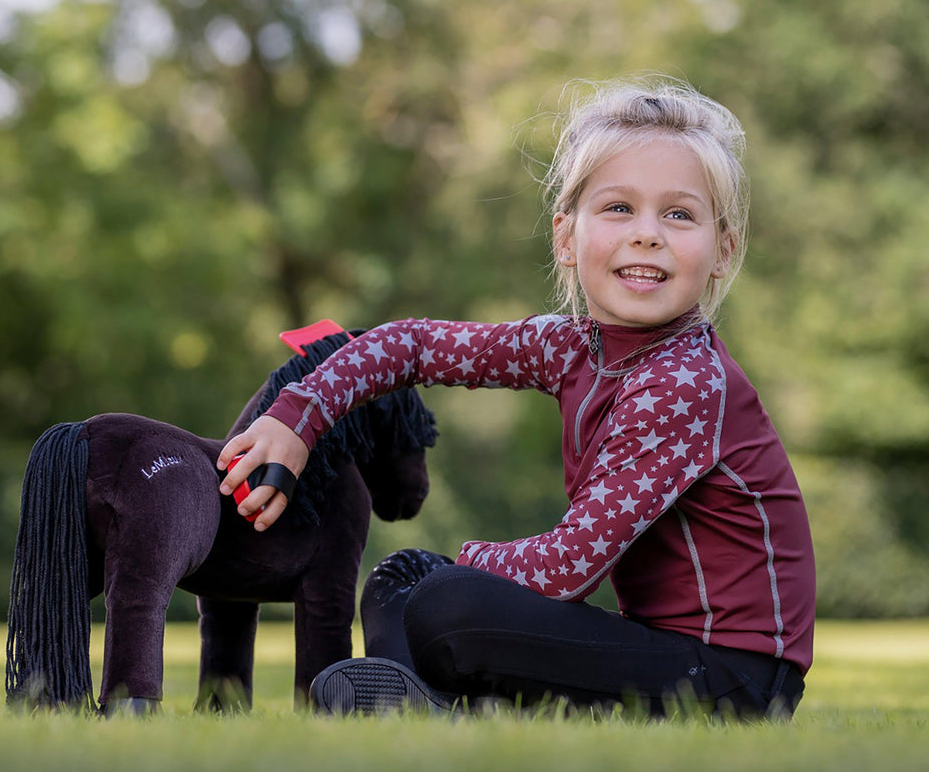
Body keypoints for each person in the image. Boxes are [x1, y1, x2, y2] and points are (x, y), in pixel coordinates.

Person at [217, 77, 816, 719]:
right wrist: (296, 417)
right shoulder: (571, 348)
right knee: (401, 577)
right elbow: (413, 346)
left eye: (679, 213)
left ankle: (446, 702)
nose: (648, 234)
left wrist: (469, 565)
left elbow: (566, 568)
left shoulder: (686, 383)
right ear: (566, 237)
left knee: (445, 601)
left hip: (733, 679)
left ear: (721, 249)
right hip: (658, 651)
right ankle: (432, 710)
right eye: (618, 208)